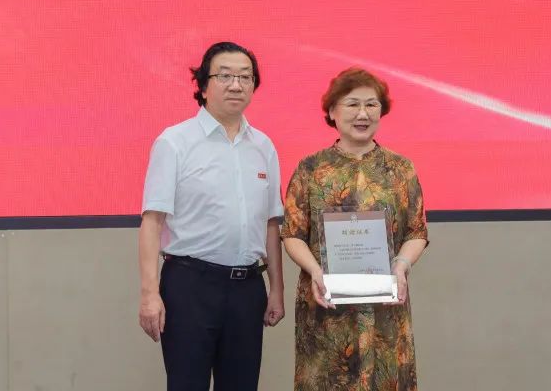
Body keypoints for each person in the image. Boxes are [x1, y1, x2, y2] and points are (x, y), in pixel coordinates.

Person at [139, 41, 285, 391]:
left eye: (245, 77)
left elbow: (270, 223)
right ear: (203, 86)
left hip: (247, 288)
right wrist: (149, 293)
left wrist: (277, 289)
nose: (236, 85)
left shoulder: (263, 146)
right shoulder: (175, 142)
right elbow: (152, 222)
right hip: (190, 285)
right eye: (225, 76)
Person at [282, 68, 428, 391]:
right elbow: (292, 233)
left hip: (385, 308)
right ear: (332, 111)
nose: (363, 114)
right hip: (326, 309)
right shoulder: (310, 169)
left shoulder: (400, 169)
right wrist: (315, 271)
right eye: (352, 104)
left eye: (371, 105)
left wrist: (401, 265)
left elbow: (416, 231)